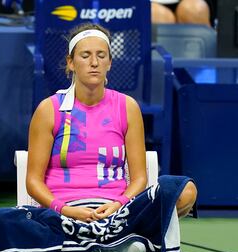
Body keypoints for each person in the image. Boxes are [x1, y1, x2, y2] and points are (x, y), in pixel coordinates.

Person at [26, 22, 197, 224]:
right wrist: (66, 210)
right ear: (71, 63)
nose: (94, 62)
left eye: (101, 55)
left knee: (186, 190)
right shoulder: (49, 110)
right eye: (85, 55)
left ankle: (108, 239)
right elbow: (33, 181)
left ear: (109, 63)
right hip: (63, 213)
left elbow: (139, 178)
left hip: (117, 211)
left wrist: (118, 204)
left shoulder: (127, 107)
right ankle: (114, 242)